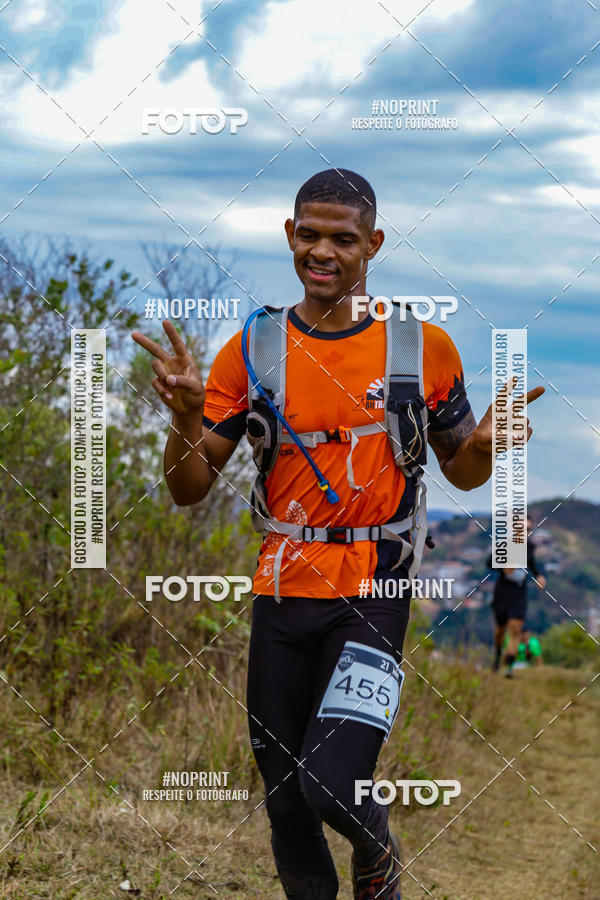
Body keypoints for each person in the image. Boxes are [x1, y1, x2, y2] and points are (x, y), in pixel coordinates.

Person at [132, 169, 544, 899]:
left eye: (343, 239)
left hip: (375, 589)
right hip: (282, 589)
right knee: (286, 800)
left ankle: (377, 848)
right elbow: (187, 490)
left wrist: (486, 442)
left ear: (373, 245)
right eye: (310, 235)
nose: (323, 251)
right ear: (290, 236)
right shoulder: (252, 349)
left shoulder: (421, 349)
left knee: (330, 784)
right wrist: (187, 418)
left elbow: (463, 470)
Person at [487, 516, 546, 677]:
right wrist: (503, 567)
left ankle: (510, 667)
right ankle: (498, 656)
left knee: (515, 628)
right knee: (500, 630)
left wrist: (539, 575)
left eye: (527, 530)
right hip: (502, 593)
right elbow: (489, 563)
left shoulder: (530, 547)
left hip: (520, 592)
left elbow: (532, 563)